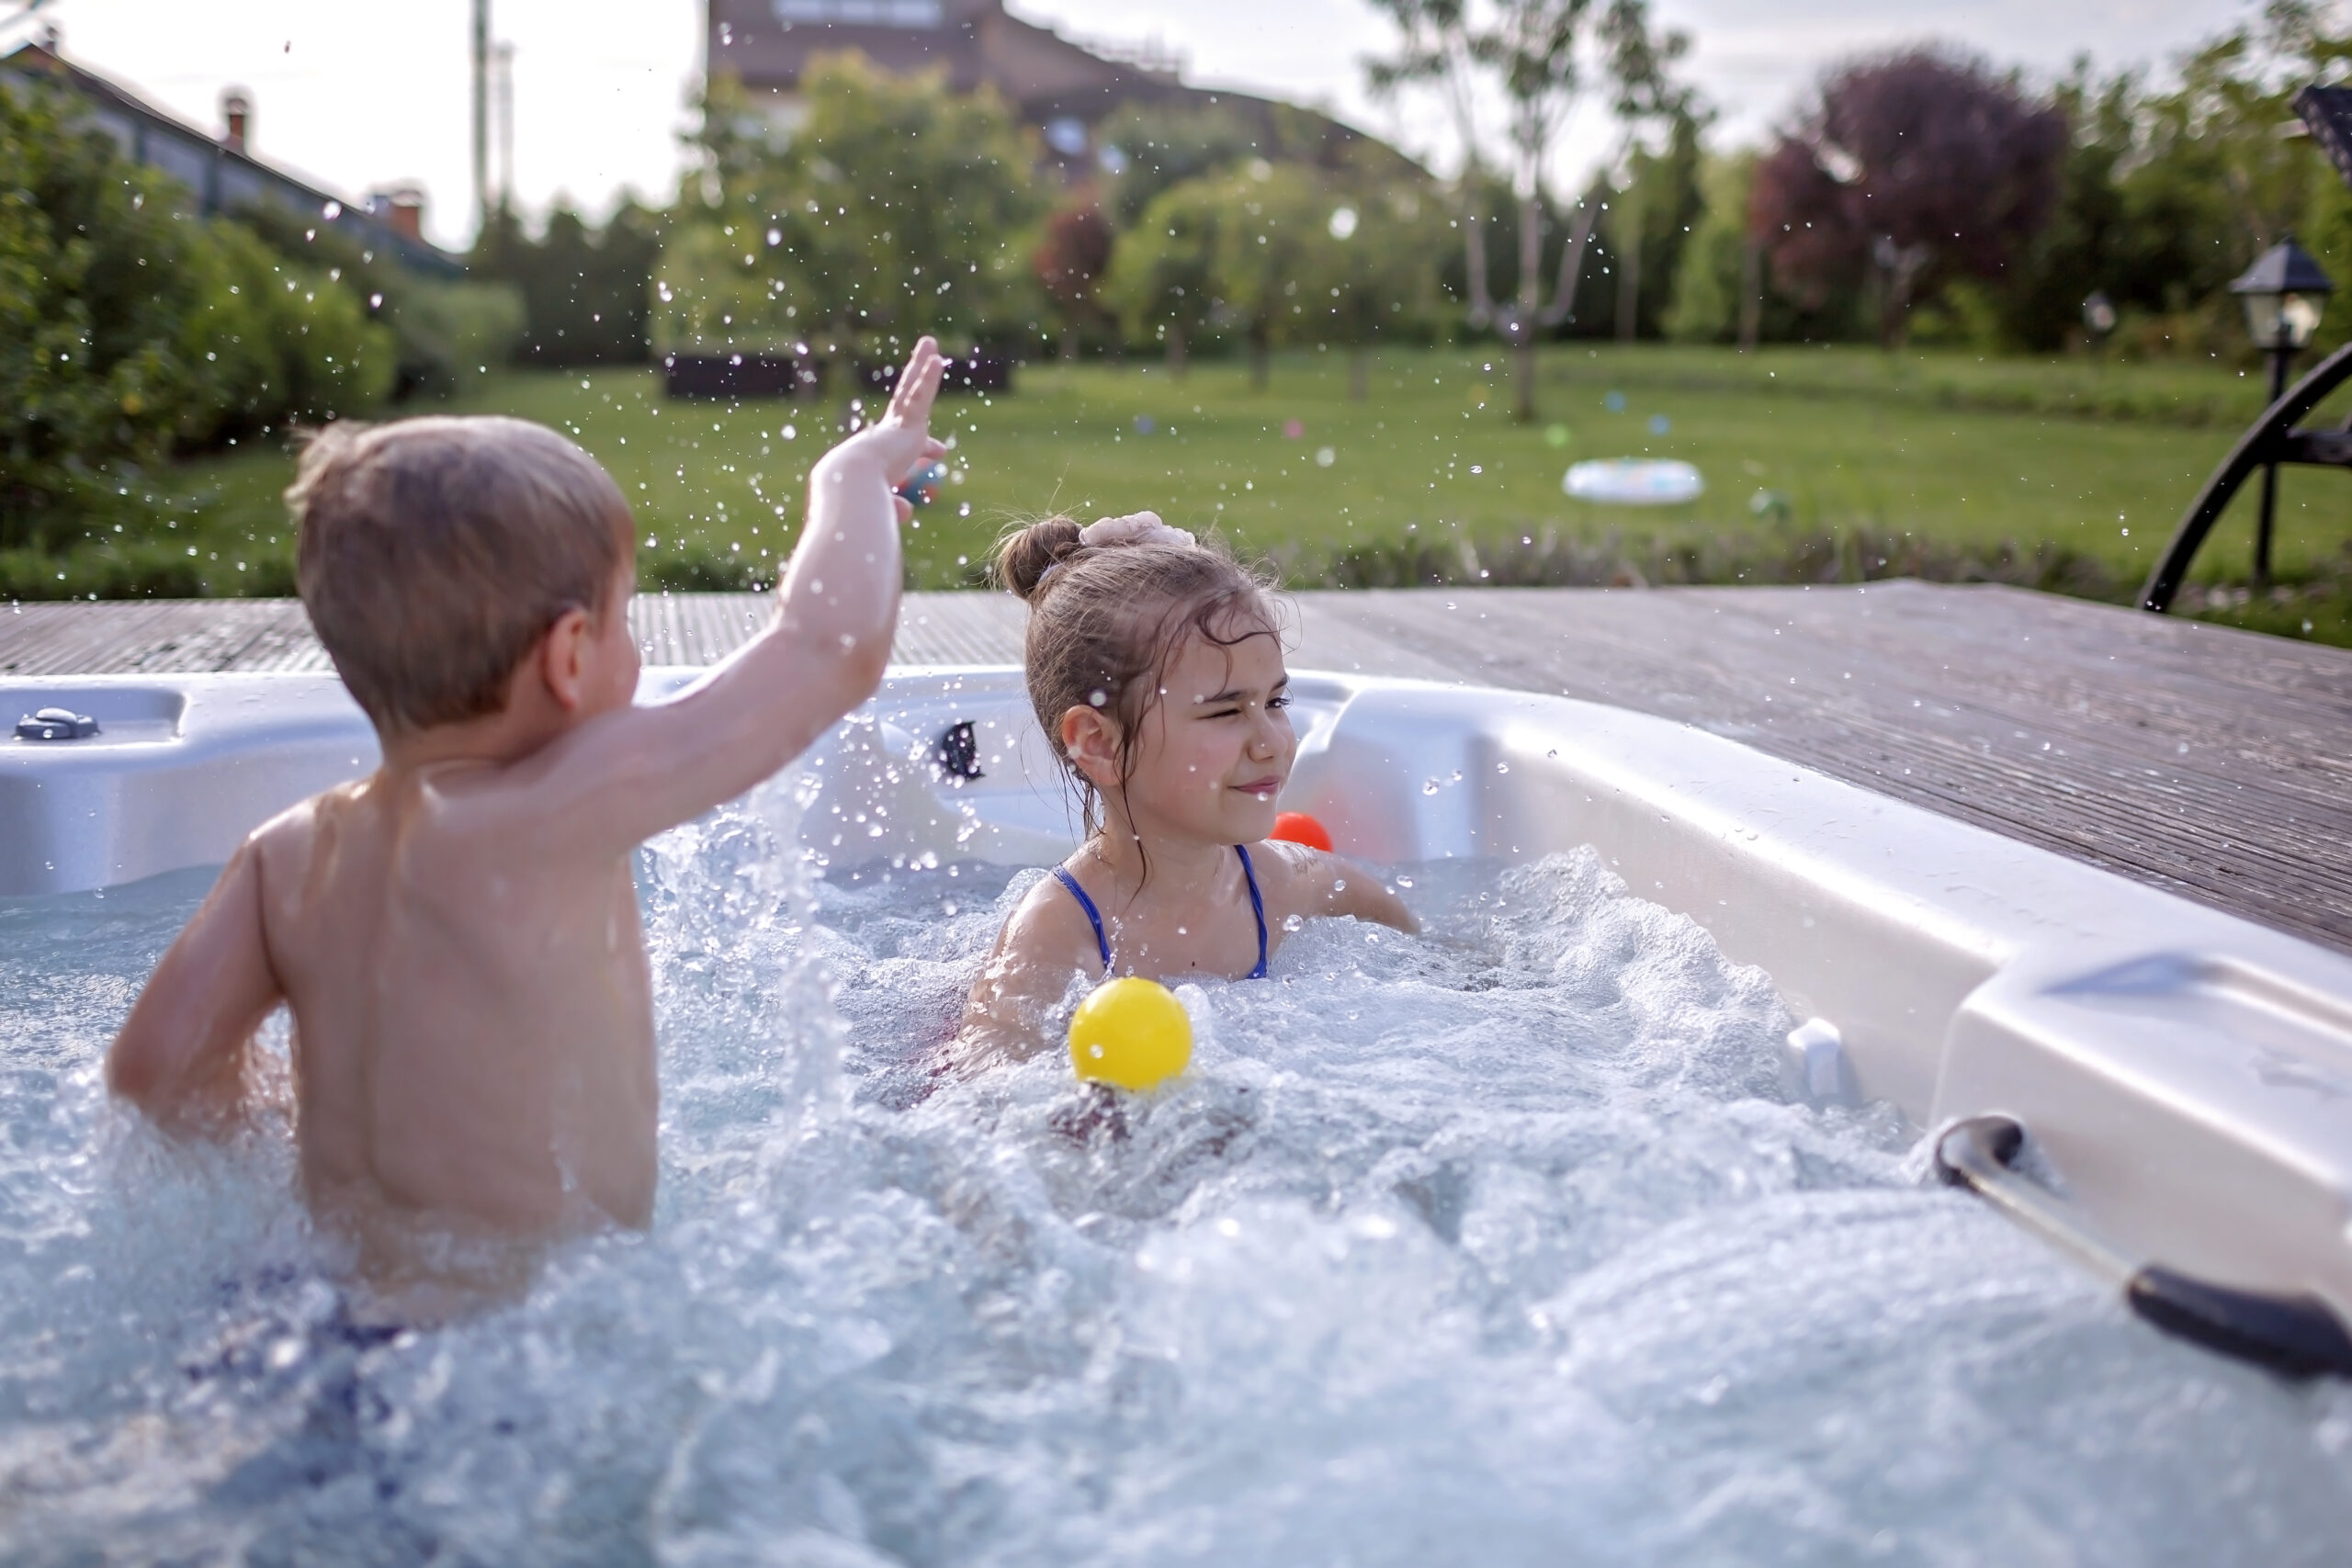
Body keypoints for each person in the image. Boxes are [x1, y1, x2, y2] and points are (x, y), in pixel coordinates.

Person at [107, 336, 950, 1293]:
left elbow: (156, 1072)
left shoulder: (287, 853)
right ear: (569, 654)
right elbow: (829, 646)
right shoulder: (556, 806)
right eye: (626, 620)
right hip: (519, 1348)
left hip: (325, 1311)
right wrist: (851, 471)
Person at [956, 513, 1418, 1062]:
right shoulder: (1053, 942)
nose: (1270, 742)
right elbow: (984, 1108)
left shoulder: (1285, 884)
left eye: (1275, 702)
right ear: (1099, 743)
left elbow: (1438, 963)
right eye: (1226, 712)